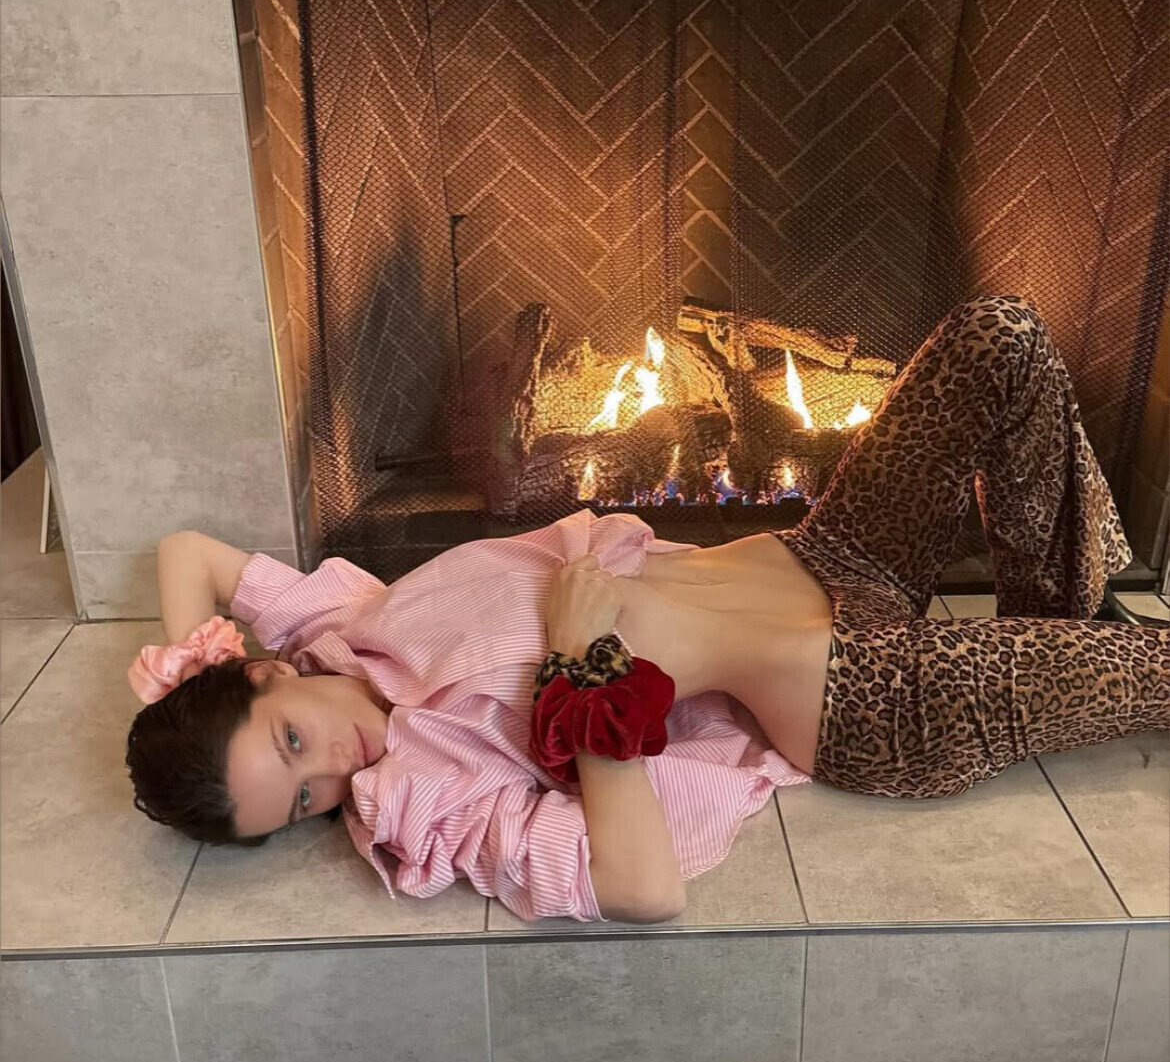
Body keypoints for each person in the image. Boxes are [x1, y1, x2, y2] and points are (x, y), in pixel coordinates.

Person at [125, 296, 1169, 924]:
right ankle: (1063, 663)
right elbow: (640, 889)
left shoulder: (339, 623)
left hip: (830, 555)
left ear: (265, 671)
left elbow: (189, 553)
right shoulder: (424, 799)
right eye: (303, 802)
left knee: (999, 335)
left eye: (291, 741)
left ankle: (1053, 630)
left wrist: (181, 667)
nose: (333, 770)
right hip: (850, 695)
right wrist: (585, 671)